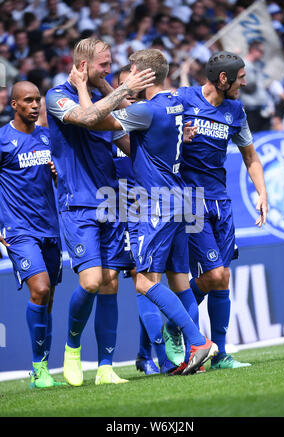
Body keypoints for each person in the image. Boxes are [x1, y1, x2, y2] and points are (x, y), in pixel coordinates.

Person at [70, 48, 219, 376]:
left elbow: (92, 118)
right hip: (182, 199)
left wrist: (83, 86)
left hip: (156, 204)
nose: (129, 74)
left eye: (134, 71)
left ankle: (198, 342)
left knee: (143, 283)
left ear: (145, 75)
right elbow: (132, 108)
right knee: (180, 281)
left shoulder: (147, 112)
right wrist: (119, 90)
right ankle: (187, 361)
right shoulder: (174, 102)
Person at [45, 37, 156, 386]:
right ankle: (72, 347)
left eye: (111, 63)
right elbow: (89, 117)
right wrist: (120, 87)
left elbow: (122, 135)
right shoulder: (57, 96)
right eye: (103, 65)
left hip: (112, 200)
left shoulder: (98, 92)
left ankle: (106, 367)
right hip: (78, 202)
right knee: (91, 281)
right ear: (82, 66)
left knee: (109, 284)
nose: (108, 69)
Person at [175, 51, 268, 369]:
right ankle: (178, 321)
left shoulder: (235, 110)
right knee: (214, 274)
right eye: (240, 77)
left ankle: (221, 353)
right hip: (190, 200)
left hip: (221, 201)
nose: (245, 81)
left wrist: (262, 193)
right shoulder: (182, 99)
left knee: (223, 276)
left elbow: (250, 156)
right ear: (224, 79)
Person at [111, 64, 176, 375]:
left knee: (148, 280)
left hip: (146, 205)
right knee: (137, 281)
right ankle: (142, 357)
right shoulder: (106, 123)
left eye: (133, 88)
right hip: (117, 205)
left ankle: (147, 354)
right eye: (124, 89)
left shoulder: (144, 120)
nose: (130, 94)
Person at [0, 81, 64, 388]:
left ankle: (42, 369)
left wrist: (56, 173)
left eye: (38, 99)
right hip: (19, 229)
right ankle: (39, 369)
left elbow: (60, 176)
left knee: (48, 298)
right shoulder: (2, 139)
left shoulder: (46, 136)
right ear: (14, 104)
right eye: (28, 100)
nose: (35, 105)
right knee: (39, 289)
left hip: (50, 228)